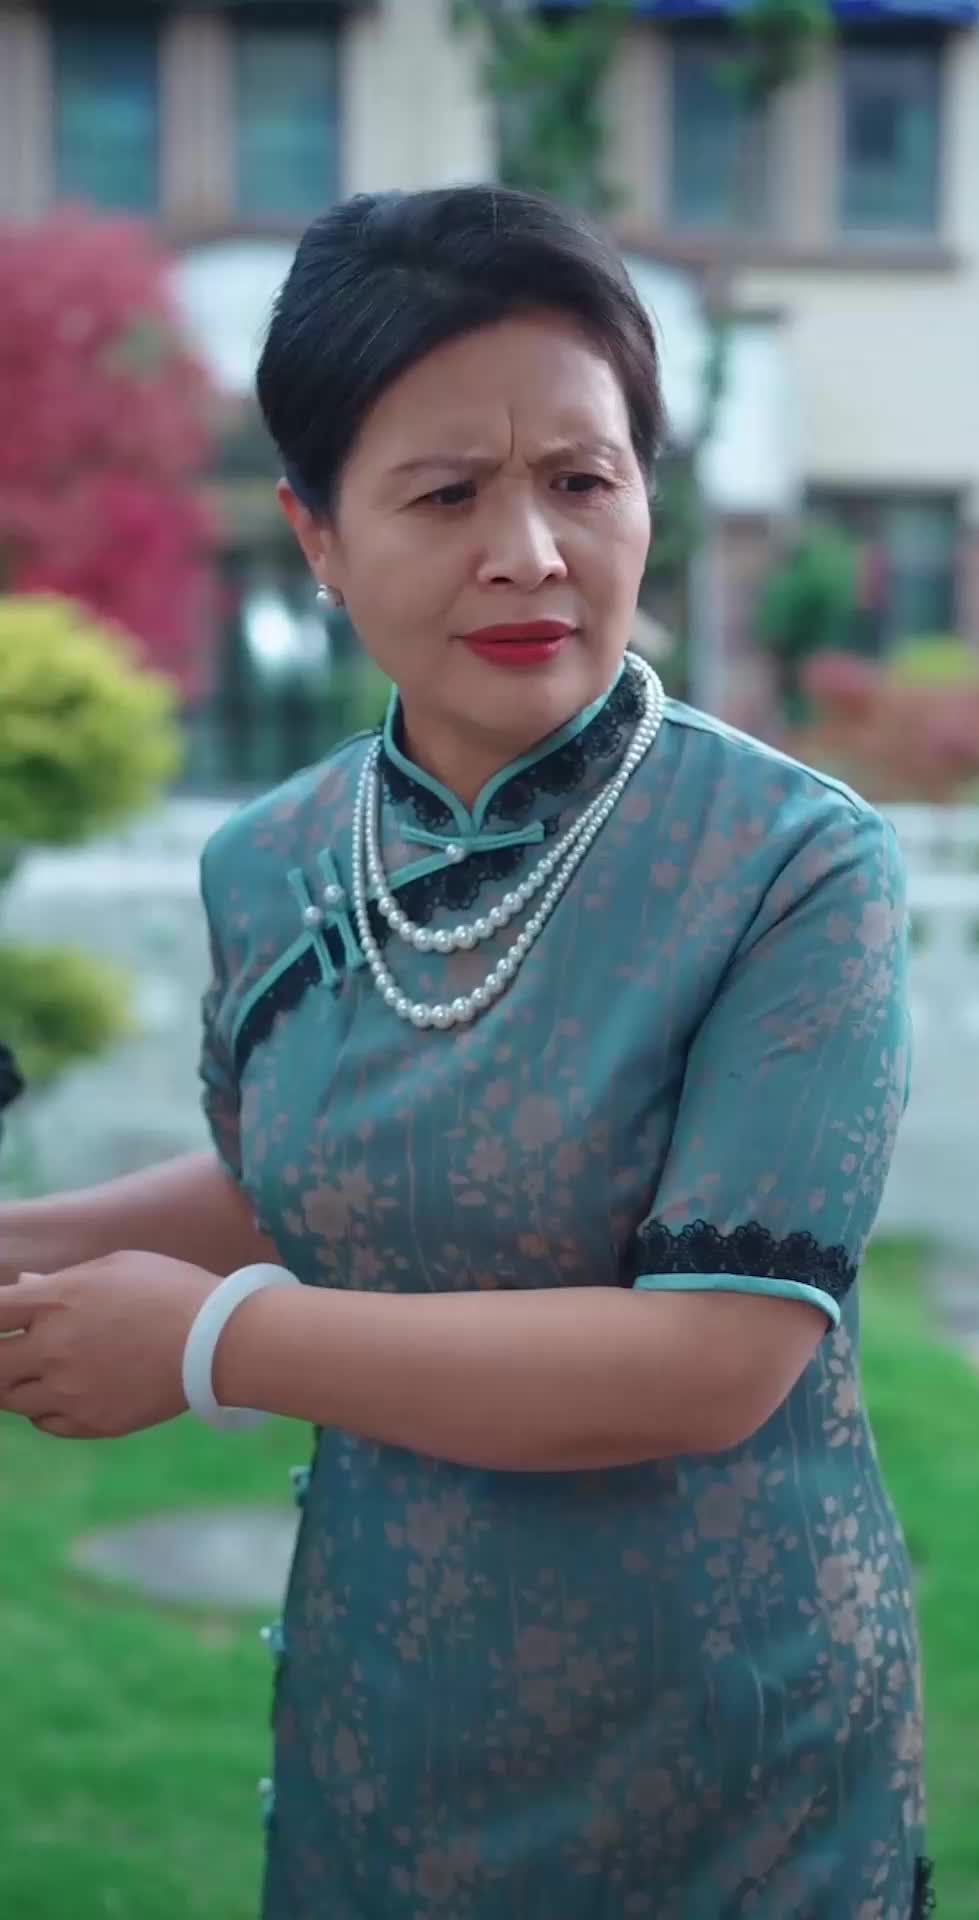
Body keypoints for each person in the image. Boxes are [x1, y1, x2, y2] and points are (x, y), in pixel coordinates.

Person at [0, 186, 929, 1919]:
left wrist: (209, 1344)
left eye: (582, 479)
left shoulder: (791, 865)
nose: (532, 553)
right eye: (446, 495)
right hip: (388, 1731)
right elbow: (306, 1182)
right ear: (317, 534)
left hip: (731, 1767)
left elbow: (715, 1360)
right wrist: (28, 1254)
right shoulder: (271, 867)